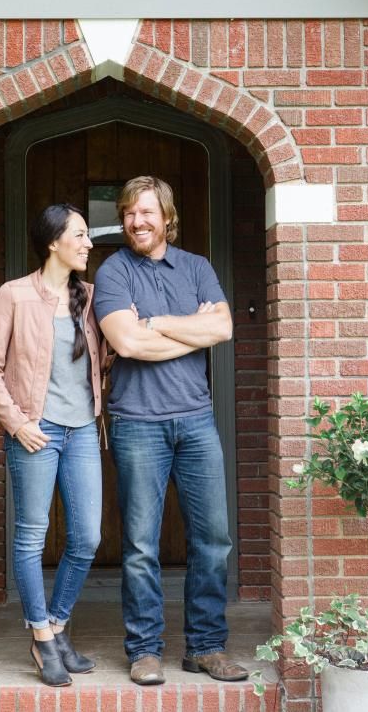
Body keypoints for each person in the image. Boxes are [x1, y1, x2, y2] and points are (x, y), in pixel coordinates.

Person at [93, 176, 247, 686]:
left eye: (147, 212)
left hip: (197, 421)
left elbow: (222, 328)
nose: (137, 221)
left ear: (167, 217)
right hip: (138, 422)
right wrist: (186, 327)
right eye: (129, 213)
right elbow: (128, 344)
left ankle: (205, 647)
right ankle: (144, 650)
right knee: (140, 544)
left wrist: (155, 322)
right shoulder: (113, 270)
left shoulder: (198, 268)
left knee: (213, 539)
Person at [0, 203, 103, 688]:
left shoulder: (90, 296)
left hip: (82, 431)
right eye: (81, 234)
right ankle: (42, 637)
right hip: (35, 432)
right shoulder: (13, 295)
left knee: (87, 536)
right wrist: (16, 423)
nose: (89, 243)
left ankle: (58, 623)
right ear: (53, 242)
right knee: (31, 536)